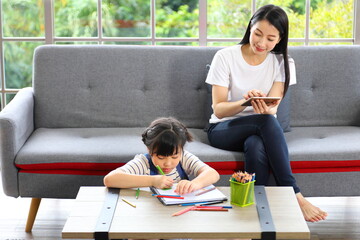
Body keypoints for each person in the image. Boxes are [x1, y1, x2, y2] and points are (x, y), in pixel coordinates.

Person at [205, 4, 327, 222]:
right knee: (266, 123)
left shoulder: (283, 62)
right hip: (222, 129)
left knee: (256, 143)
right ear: (250, 27)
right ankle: (294, 194)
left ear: (280, 39)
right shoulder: (225, 57)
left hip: (260, 129)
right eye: (257, 34)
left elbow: (273, 109)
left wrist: (267, 107)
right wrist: (245, 102)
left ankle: (257, 213)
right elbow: (219, 109)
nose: (261, 43)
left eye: (270, 39)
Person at [103, 117, 220, 195]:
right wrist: (153, 180)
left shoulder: (183, 157)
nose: (168, 163)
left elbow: (213, 174)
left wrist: (194, 183)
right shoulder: (143, 163)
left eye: (174, 157)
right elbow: (110, 179)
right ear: (149, 150)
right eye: (161, 157)